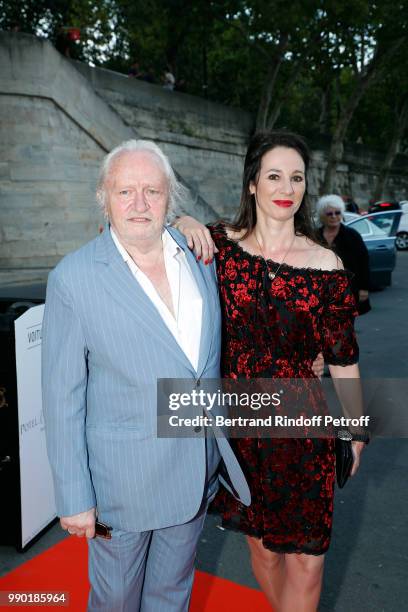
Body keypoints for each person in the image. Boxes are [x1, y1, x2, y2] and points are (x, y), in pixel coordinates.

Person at [41, 139, 251, 611]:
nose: (139, 204)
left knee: (172, 596)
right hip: (122, 486)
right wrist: (74, 496)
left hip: (195, 472)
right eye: (125, 192)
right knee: (115, 600)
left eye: (152, 192)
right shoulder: (73, 278)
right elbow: (62, 398)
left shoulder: (199, 254)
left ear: (170, 199)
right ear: (104, 198)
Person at [174, 131, 367, 612]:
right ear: (253, 184)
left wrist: (357, 429)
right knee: (262, 547)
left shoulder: (327, 265)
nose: (287, 187)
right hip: (241, 427)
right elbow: (149, 249)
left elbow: (343, 357)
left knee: (308, 557)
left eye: (297, 177)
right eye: (274, 175)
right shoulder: (217, 247)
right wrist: (181, 219)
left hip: (306, 430)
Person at [316, 194, 370, 314]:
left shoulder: (352, 236)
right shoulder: (315, 237)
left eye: (337, 212)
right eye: (329, 214)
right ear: (322, 216)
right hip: (321, 291)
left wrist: (364, 289)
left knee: (345, 327)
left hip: (348, 289)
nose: (334, 216)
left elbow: (363, 262)